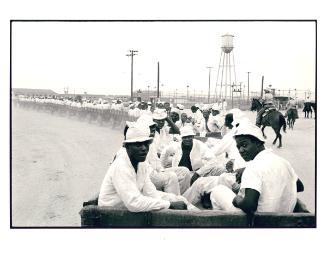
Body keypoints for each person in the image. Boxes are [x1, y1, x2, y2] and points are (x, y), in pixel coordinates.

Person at [98, 122, 196, 212]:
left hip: (127, 206)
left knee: (180, 199)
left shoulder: (141, 164)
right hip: (113, 212)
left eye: (146, 144)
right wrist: (169, 205)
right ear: (127, 146)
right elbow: (134, 203)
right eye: (138, 145)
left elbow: (151, 193)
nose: (144, 148)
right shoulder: (121, 166)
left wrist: (174, 200)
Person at [210, 121, 302, 215]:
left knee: (217, 190)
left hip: (261, 220)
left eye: (244, 145)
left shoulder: (253, 167)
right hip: (284, 216)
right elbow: (299, 187)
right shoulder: (283, 162)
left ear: (258, 143)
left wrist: (237, 200)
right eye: (238, 147)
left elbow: (249, 206)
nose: (241, 150)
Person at [137, 114, 191, 195]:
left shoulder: (150, 141)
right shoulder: (137, 144)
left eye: (153, 128)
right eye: (150, 128)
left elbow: (156, 161)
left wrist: (161, 170)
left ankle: (183, 196)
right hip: (147, 176)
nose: (152, 130)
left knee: (184, 171)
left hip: (157, 170)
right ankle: (175, 199)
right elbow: (144, 169)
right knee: (171, 176)